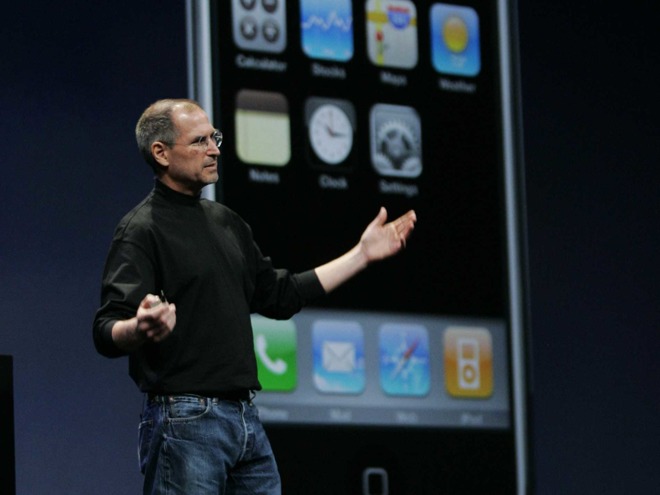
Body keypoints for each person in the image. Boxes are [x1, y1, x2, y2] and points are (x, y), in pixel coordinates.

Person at [93, 98, 416, 495]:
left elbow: (280, 295)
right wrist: (139, 327)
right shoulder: (141, 230)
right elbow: (106, 329)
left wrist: (362, 255)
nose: (214, 149)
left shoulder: (227, 223)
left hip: (245, 419)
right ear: (161, 153)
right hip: (185, 420)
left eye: (214, 138)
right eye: (199, 141)